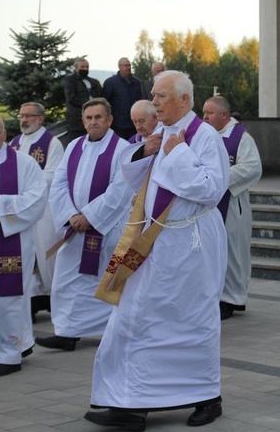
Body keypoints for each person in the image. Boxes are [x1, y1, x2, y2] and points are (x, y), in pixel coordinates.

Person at [86, 70, 229, 430]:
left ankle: (207, 397)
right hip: (155, 241)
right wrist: (142, 152)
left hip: (190, 244)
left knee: (191, 319)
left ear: (184, 99)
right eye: (153, 96)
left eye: (161, 96)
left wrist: (178, 153)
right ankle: (130, 402)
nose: (154, 103)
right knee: (136, 318)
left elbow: (211, 189)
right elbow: (136, 180)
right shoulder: (161, 133)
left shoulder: (205, 137)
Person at [37, 98, 132, 353]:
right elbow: (59, 183)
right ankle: (67, 332)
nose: (93, 122)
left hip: (106, 228)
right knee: (66, 281)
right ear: (83, 121)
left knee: (102, 282)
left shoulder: (122, 149)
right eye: (89, 118)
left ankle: (109, 330)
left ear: (109, 120)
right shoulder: (74, 146)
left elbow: (120, 190)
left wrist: (89, 216)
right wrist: (70, 215)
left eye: (98, 117)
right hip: (74, 229)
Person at [0, 115, 47, 377]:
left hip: (11, 239)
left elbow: (37, 199)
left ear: (5, 134)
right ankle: (13, 342)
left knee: (8, 297)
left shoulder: (23, 163)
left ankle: (8, 355)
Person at [202, 95, 263, 320]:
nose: (204, 117)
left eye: (209, 113)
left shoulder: (240, 137)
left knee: (232, 252)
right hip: (209, 204)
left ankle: (232, 298)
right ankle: (217, 296)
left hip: (231, 204)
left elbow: (253, 168)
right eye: (203, 112)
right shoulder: (205, 136)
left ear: (224, 115)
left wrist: (218, 179)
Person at [9, 102, 65, 322]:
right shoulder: (14, 143)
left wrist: (25, 182)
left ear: (40, 119)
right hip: (19, 210)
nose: (23, 120)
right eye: (21, 115)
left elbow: (54, 175)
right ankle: (29, 304)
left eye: (28, 116)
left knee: (45, 256)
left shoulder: (52, 143)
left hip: (44, 210)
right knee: (24, 256)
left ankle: (51, 300)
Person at [103, 57, 142, 140]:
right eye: (126, 66)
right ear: (119, 67)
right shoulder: (110, 83)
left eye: (129, 65)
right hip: (117, 124)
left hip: (134, 123)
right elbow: (105, 103)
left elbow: (140, 100)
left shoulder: (136, 82)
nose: (128, 68)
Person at [64, 58, 102, 142]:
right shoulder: (70, 81)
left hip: (93, 121)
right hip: (76, 121)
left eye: (87, 67)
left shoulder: (94, 82)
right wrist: (90, 104)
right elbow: (71, 98)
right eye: (82, 67)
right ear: (76, 68)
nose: (85, 69)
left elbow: (100, 97)